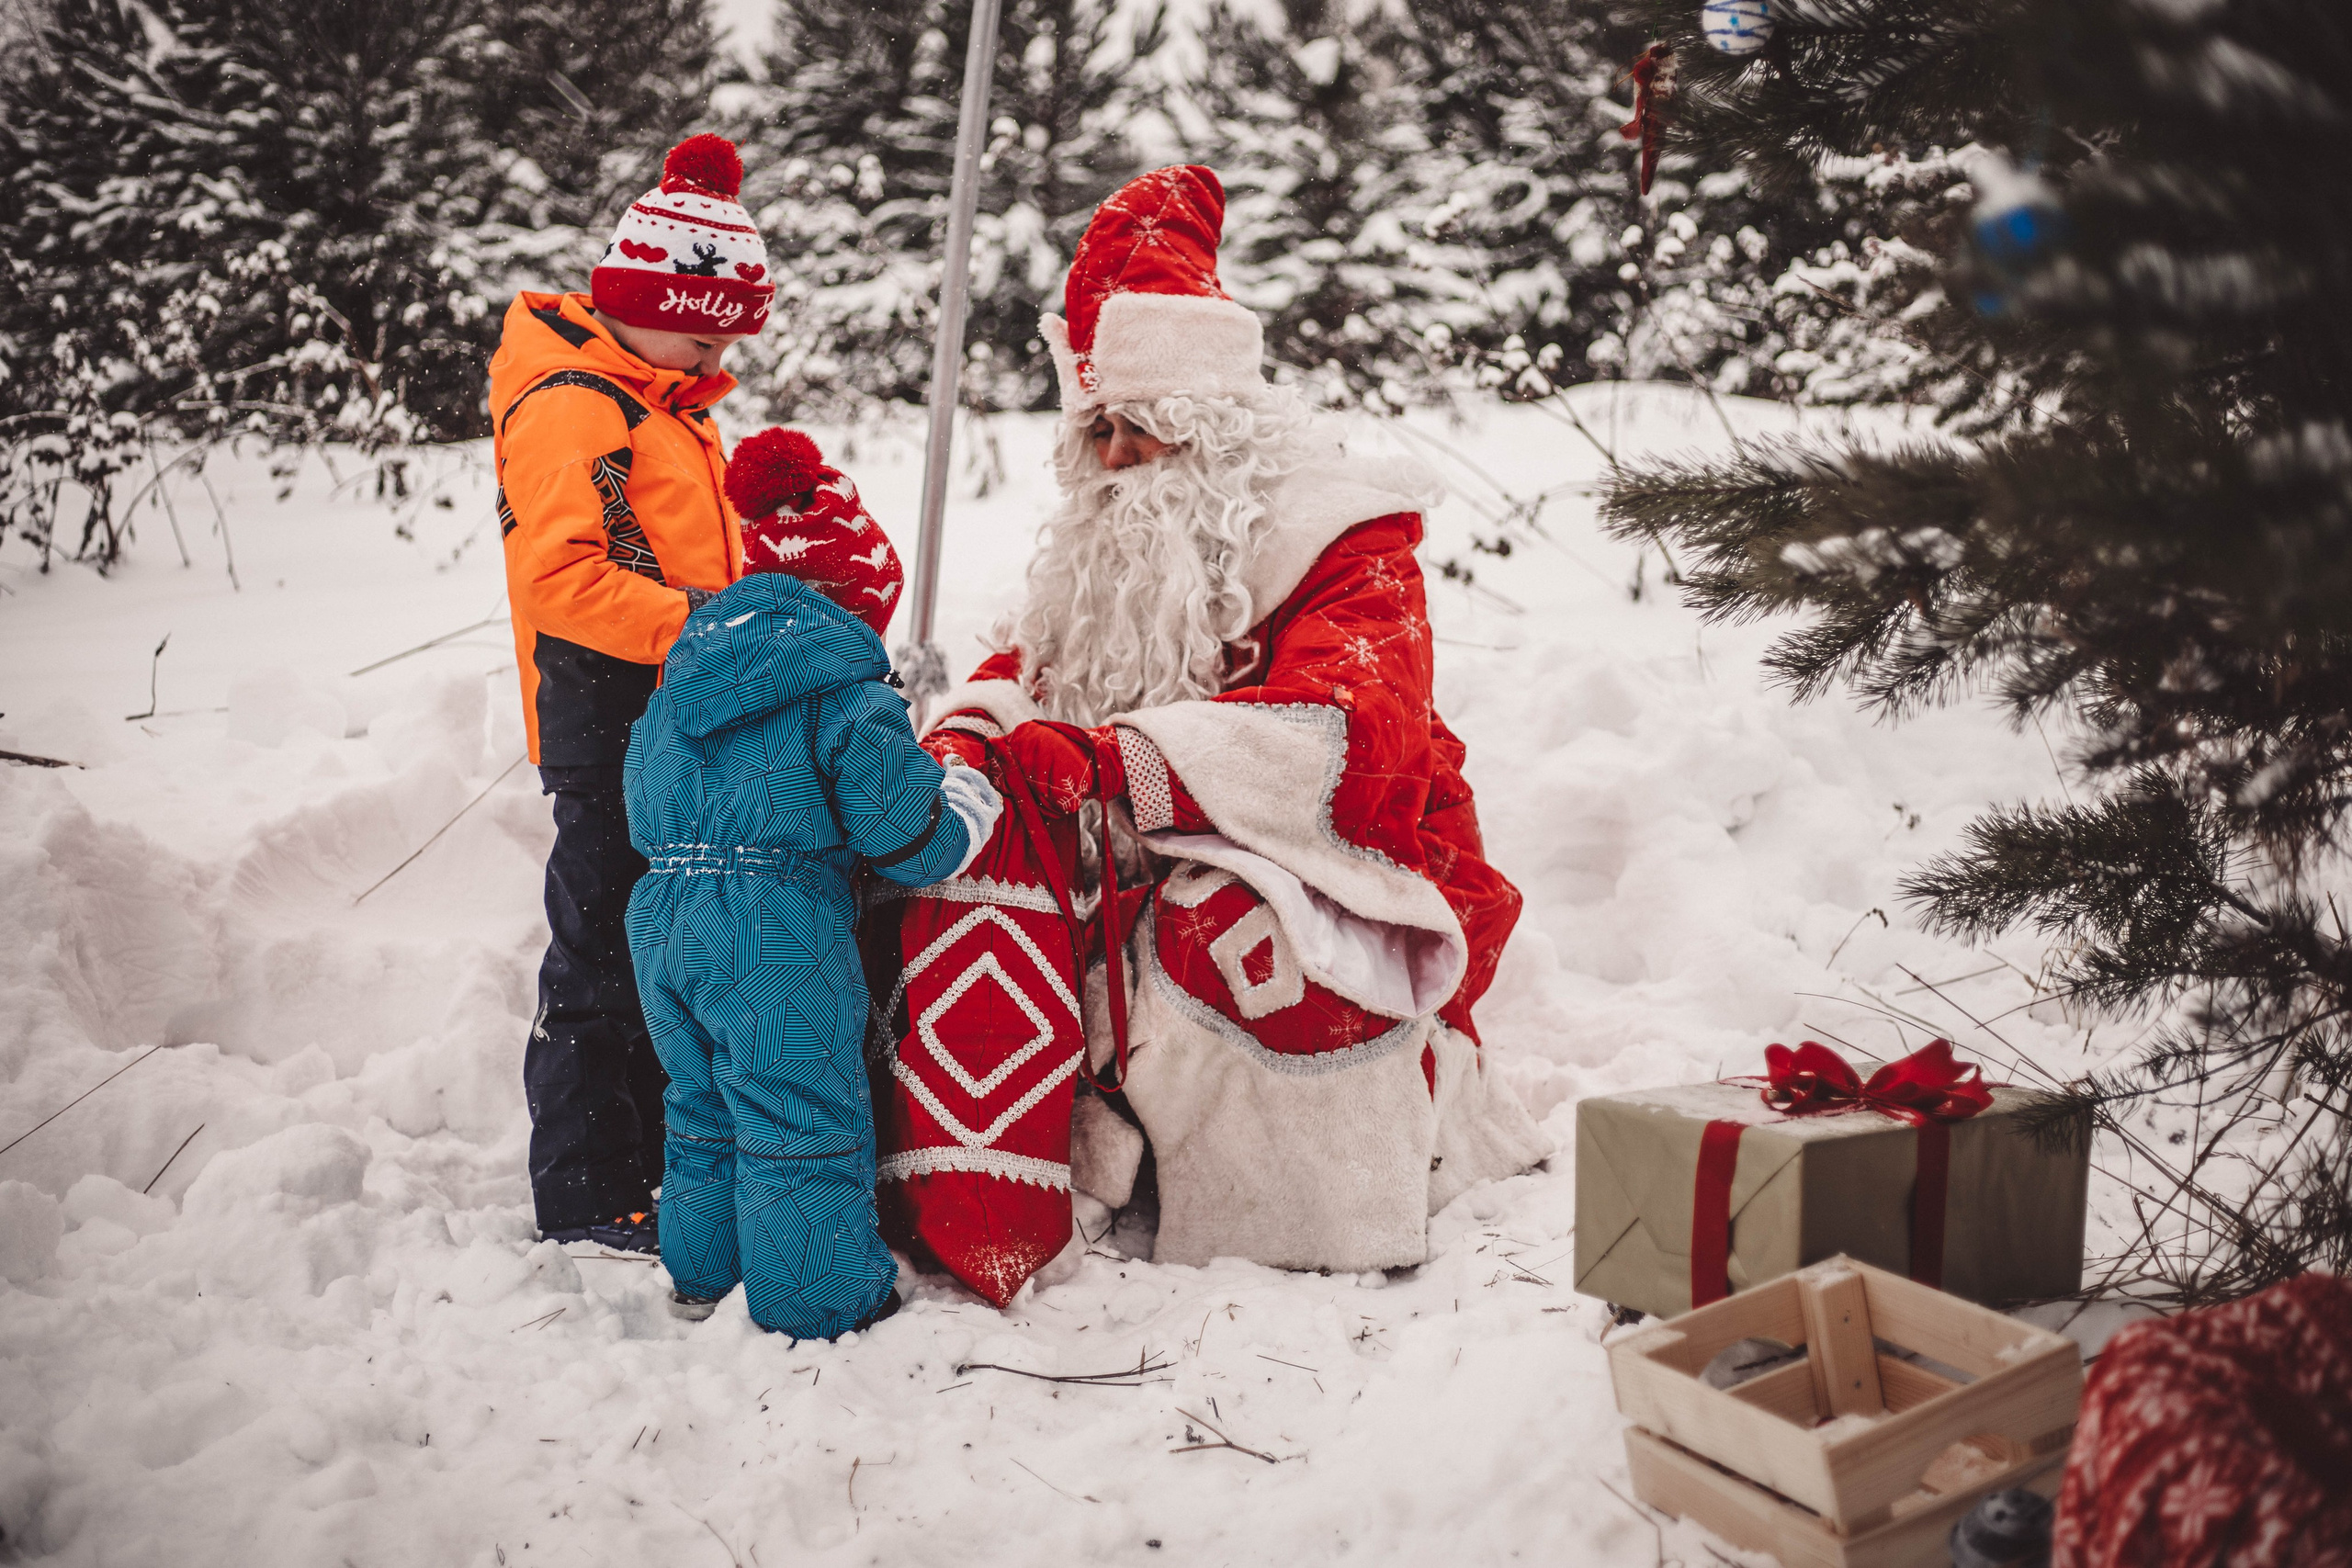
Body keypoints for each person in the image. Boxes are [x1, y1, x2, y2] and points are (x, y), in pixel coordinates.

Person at [863, 165, 1550, 1305]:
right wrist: (975, 736)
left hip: (1324, 859)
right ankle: (1005, 1182)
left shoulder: (1341, 536)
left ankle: (1291, 1212)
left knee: (1233, 939)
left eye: (1140, 431)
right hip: (1131, 841)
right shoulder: (1105, 540)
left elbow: (1357, 730)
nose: (1117, 462)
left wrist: (1120, 763)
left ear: (1211, 426)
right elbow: (1024, 665)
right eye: (1098, 434)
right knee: (951, 862)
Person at [624, 430, 1001, 1335]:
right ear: (853, 606)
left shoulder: (678, 687)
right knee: (798, 1116)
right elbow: (907, 840)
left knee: (702, 1105)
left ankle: (702, 1276)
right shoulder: (847, 697)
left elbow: (642, 801)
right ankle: (819, 1301)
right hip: (774, 928)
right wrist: (963, 804)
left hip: (662, 918)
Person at [488, 132, 773, 1251]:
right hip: (606, 711)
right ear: (639, 301)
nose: (713, 359)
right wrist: (709, 630)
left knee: (663, 942)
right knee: (606, 951)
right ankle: (589, 1190)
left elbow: (671, 548)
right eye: (702, 333)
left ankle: (655, 1164)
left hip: (664, 709)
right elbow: (565, 576)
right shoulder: (576, 402)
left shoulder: (658, 400)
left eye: (726, 342)